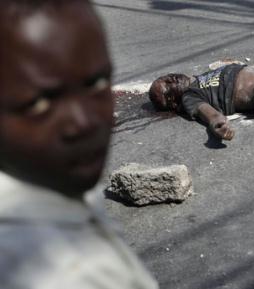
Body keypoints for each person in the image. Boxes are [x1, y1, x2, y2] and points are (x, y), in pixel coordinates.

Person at [0, 1, 158, 288]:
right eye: (39, 104)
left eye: (97, 84)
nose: (83, 122)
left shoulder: (56, 180)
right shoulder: (58, 274)